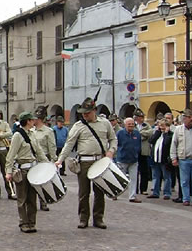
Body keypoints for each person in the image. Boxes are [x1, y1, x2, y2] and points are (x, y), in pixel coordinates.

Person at [56, 97, 116, 229]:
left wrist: (111, 151)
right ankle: (83, 218)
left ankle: (98, 218)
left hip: (100, 161)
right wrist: (60, 160)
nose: (84, 115)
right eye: (83, 112)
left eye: (87, 112)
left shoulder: (105, 123)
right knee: (84, 192)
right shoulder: (78, 126)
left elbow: (113, 139)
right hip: (84, 162)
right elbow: (69, 144)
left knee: (99, 192)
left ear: (94, 111)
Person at [5, 111, 49, 233]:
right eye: (32, 119)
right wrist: (8, 172)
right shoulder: (18, 135)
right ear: (28, 121)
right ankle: (23, 222)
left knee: (32, 198)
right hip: (22, 169)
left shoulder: (33, 133)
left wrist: (47, 165)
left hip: (33, 169)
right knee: (22, 199)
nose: (34, 121)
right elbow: (11, 155)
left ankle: (32, 222)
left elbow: (39, 151)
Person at [32, 108, 57, 211]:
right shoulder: (31, 131)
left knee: (42, 182)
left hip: (44, 158)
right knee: (33, 182)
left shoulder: (48, 131)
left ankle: (43, 202)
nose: (33, 120)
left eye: (35, 118)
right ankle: (32, 203)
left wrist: (54, 160)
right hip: (33, 158)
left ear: (40, 119)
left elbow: (52, 146)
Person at [116, 118, 141, 203]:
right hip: (122, 159)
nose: (131, 125)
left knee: (133, 179)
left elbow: (139, 145)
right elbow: (116, 145)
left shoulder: (137, 134)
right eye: (129, 124)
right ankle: (115, 194)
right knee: (120, 179)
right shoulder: (120, 133)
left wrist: (136, 153)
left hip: (134, 160)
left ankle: (132, 196)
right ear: (125, 125)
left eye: (132, 124)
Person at [148, 120, 173, 200]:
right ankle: (155, 192)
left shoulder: (170, 135)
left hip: (165, 159)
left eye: (163, 126)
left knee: (166, 177)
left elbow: (166, 143)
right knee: (155, 176)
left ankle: (167, 193)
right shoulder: (157, 134)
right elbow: (151, 141)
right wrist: (158, 132)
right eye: (160, 126)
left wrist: (166, 133)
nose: (161, 127)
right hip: (155, 159)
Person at [134, 109, 154, 195]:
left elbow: (150, 133)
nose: (141, 119)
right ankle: (135, 189)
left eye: (142, 117)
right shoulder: (133, 125)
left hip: (144, 151)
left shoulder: (146, 125)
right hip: (134, 151)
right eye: (139, 117)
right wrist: (140, 135)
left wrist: (139, 135)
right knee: (134, 171)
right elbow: (133, 135)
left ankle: (143, 189)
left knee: (144, 171)